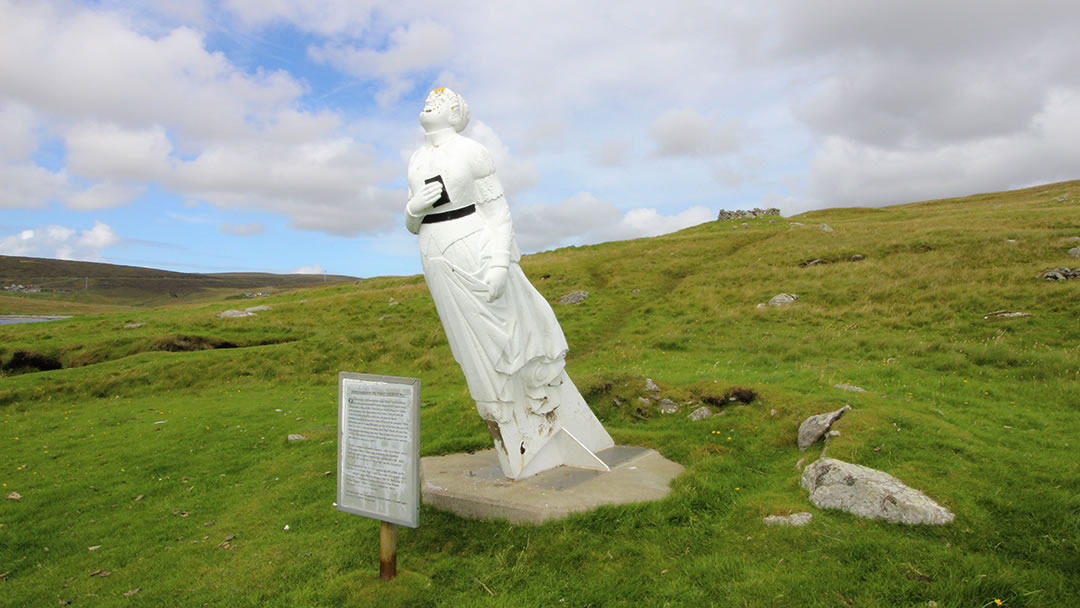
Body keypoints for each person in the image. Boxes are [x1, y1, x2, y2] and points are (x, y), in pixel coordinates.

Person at [404, 88, 612, 479]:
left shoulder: (473, 153)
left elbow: (498, 211)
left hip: (475, 247)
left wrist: (500, 263)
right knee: (469, 348)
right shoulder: (416, 159)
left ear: (455, 114)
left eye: (444, 100)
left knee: (510, 335)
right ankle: (504, 418)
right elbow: (412, 221)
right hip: (434, 252)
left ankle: (537, 414)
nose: (433, 100)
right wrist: (412, 209)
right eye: (431, 98)